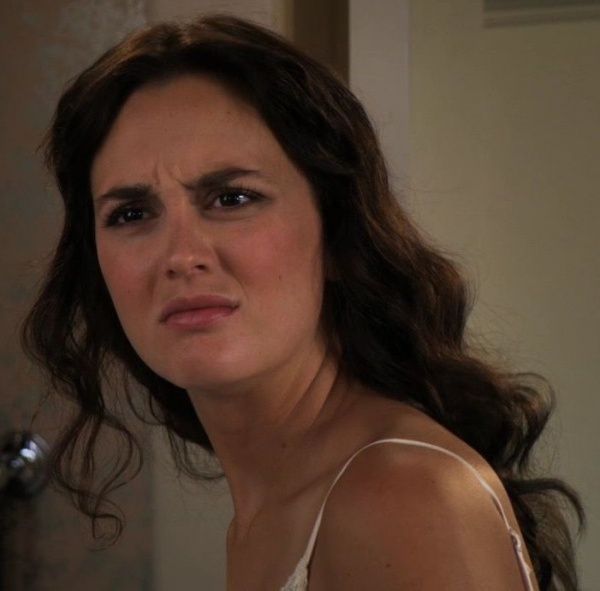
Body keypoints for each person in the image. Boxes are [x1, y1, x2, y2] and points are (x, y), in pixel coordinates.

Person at [22, 14, 583, 591]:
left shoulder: (402, 496)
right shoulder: (272, 506)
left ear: (338, 234)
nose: (180, 254)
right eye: (132, 214)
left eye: (232, 198)